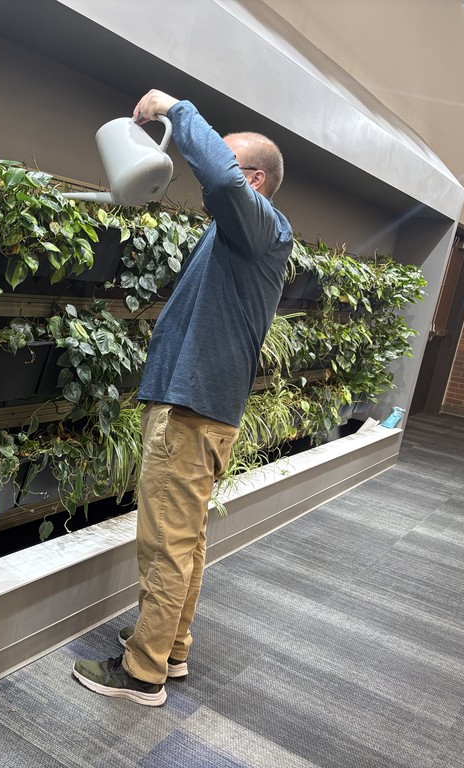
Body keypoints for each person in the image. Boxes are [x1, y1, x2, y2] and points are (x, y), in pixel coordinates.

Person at [72, 89, 294, 706]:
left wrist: (177, 110)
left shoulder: (262, 226)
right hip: (203, 408)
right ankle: (169, 649)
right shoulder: (242, 240)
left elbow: (220, 180)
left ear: (256, 180)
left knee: (165, 542)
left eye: (224, 161)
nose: (203, 167)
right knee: (187, 539)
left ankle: (141, 673)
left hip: (192, 409)